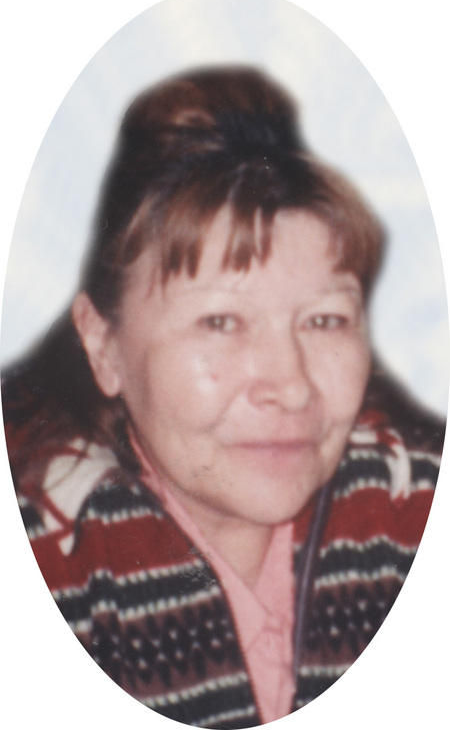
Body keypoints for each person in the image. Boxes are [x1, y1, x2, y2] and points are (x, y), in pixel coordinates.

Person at [2, 66, 444, 729]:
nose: (290, 385)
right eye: (220, 322)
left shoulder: (413, 510)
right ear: (103, 345)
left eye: (325, 320)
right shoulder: (48, 560)